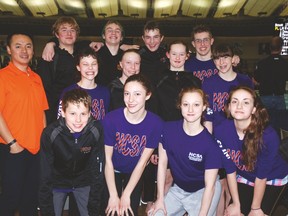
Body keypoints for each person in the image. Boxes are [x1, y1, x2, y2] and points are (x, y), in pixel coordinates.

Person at [214, 86, 288, 215]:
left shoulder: (268, 136)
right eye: (235, 101)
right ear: (229, 107)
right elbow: (230, 169)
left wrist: (255, 208)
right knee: (233, 213)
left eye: (246, 102)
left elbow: (261, 176)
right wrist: (236, 203)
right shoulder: (221, 130)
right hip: (244, 176)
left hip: (272, 177)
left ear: (254, 109)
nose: (239, 106)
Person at [150, 87, 222, 216]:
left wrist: (202, 214)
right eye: (186, 104)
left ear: (204, 107)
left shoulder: (210, 145)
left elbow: (210, 187)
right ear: (180, 106)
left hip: (203, 190)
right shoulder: (168, 130)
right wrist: (160, 198)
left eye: (196, 105)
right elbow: (162, 164)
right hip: (179, 189)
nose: (190, 110)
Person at [0, 32, 48, 216]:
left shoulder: (36, 78)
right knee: (10, 199)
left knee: (30, 199)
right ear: (8, 50)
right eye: (18, 46)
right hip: (12, 149)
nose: (24, 50)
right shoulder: (3, 76)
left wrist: (44, 143)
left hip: (35, 150)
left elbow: (41, 111)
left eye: (28, 46)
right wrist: (13, 144)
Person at [102, 74, 163, 216]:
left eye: (137, 94)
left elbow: (142, 163)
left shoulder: (155, 123)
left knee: (128, 209)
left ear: (148, 95)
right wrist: (113, 195)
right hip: (112, 169)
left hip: (134, 170)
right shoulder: (111, 119)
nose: (130, 100)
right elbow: (107, 160)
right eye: (127, 94)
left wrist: (126, 194)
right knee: (110, 210)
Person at [39, 88, 104, 216]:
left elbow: (97, 169)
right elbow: (44, 174)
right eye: (72, 113)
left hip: (83, 181)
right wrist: (46, 209)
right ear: (63, 112)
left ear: (90, 113)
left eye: (83, 114)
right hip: (57, 182)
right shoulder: (50, 134)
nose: (78, 120)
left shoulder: (96, 130)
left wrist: (95, 205)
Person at [37, 16, 89, 125]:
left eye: (72, 30)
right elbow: (44, 89)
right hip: (56, 112)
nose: (69, 34)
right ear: (57, 35)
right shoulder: (49, 57)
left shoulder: (83, 53)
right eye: (64, 30)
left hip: (81, 110)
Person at [202, 43, 253, 133]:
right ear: (214, 61)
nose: (221, 62)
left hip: (242, 133)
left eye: (225, 57)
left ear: (233, 59)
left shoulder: (245, 81)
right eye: (217, 59)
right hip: (217, 134)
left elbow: (251, 111)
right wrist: (208, 140)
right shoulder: (208, 83)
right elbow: (208, 117)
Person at [56, 47, 110, 120]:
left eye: (94, 64)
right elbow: (60, 120)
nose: (90, 68)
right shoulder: (68, 92)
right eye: (85, 64)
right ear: (78, 67)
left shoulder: (105, 91)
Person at [156, 40, 201, 121]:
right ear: (168, 55)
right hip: (163, 127)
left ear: (187, 56)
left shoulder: (195, 81)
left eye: (181, 54)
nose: (177, 58)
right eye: (174, 54)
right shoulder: (158, 80)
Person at [254, 36, 288, 129]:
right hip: (279, 97)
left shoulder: (262, 63)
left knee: (264, 123)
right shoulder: (285, 64)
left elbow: (256, 80)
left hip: (265, 97)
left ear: (269, 48)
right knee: (281, 124)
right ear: (281, 48)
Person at [139, 20, 169, 87]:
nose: (152, 42)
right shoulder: (137, 56)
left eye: (155, 37)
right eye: (148, 37)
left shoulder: (169, 56)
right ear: (143, 38)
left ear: (161, 38)